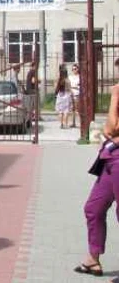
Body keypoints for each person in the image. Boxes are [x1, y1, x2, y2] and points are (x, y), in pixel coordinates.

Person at [75, 58, 119, 277]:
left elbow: (111, 128)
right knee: (94, 208)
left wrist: (115, 97)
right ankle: (93, 259)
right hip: (111, 160)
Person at [69, 63, 81, 128]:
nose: (74, 70)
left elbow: (80, 86)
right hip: (71, 94)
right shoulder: (70, 77)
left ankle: (79, 123)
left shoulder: (80, 77)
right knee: (71, 109)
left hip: (77, 94)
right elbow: (68, 86)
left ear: (78, 69)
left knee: (77, 109)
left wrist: (74, 87)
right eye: (73, 69)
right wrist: (72, 88)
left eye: (75, 69)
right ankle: (72, 123)